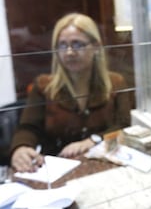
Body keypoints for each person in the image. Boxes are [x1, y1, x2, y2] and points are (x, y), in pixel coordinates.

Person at [10, 13, 131, 172]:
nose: (69, 52)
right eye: (62, 45)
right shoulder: (43, 86)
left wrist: (93, 140)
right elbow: (28, 128)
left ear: (95, 46)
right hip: (56, 170)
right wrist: (21, 148)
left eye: (77, 44)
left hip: (103, 166)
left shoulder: (116, 83)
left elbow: (123, 127)